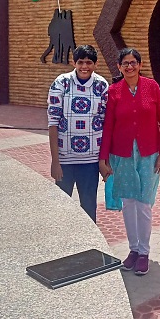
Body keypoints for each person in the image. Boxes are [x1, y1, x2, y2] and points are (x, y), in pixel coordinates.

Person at [99, 47, 160, 276]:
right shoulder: (114, 92)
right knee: (129, 203)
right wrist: (103, 158)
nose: (129, 66)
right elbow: (108, 126)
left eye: (133, 62)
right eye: (125, 63)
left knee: (143, 204)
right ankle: (133, 250)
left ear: (140, 65)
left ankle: (144, 252)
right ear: (119, 67)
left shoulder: (152, 87)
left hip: (148, 153)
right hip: (122, 155)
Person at [47, 44, 109, 223]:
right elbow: (53, 123)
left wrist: (103, 161)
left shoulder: (101, 85)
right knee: (60, 207)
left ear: (95, 64)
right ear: (74, 63)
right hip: (65, 160)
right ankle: (61, 245)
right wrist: (55, 162)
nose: (84, 67)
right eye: (80, 62)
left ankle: (90, 248)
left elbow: (106, 124)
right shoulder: (61, 83)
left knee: (89, 207)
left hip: (90, 162)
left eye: (89, 62)